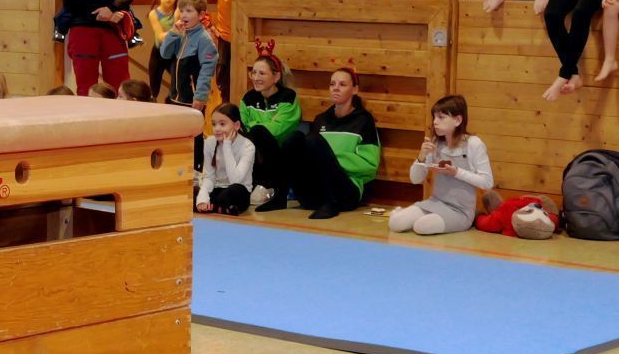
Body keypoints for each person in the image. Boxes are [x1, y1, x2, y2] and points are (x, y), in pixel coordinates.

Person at [267, 67, 379, 221]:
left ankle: (331, 203)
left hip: (345, 194)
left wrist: (330, 157)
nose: (336, 88)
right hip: (315, 193)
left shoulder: (363, 121)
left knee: (314, 141)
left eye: (342, 84)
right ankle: (280, 197)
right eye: (332, 84)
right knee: (294, 138)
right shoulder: (321, 119)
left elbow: (369, 165)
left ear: (355, 89)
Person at [387, 95, 493, 237]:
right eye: (434, 117)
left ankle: (469, 218)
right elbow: (415, 179)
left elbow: (487, 183)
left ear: (458, 120)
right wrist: (421, 156)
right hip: (435, 203)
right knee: (395, 223)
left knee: (421, 226)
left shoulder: (474, 144)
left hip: (460, 211)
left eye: (441, 117)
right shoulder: (436, 143)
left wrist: (457, 172)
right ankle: (405, 214)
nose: (435, 122)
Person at [157, 0, 217, 110]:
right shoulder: (180, 33)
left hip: (192, 101)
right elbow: (165, 54)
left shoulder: (204, 39)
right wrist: (173, 33)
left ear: (201, 15)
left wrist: (200, 96)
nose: (183, 15)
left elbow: (207, 70)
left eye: (189, 11)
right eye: (181, 10)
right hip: (175, 98)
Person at [195, 106, 255, 215]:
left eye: (222, 124)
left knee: (231, 192)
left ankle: (217, 206)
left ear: (236, 125)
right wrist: (202, 198)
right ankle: (220, 208)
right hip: (217, 188)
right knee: (194, 192)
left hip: (237, 190)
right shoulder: (209, 142)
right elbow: (209, 177)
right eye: (214, 124)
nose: (217, 128)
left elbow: (235, 180)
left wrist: (227, 146)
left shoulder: (247, 146)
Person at [144, 0, 179, 100]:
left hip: (173, 53)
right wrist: (176, 30)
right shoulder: (153, 14)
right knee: (154, 88)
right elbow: (160, 36)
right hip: (158, 53)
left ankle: (173, 104)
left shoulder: (177, 12)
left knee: (177, 83)